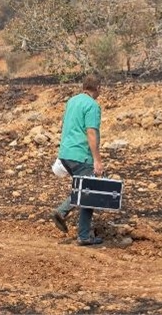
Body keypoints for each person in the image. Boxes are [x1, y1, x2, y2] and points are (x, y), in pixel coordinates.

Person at [51, 74, 104, 246]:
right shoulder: (92, 105)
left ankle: (65, 213)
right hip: (81, 155)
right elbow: (91, 132)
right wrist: (97, 159)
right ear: (98, 88)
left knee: (83, 190)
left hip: (66, 153)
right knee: (89, 194)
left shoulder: (72, 101)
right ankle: (83, 234)